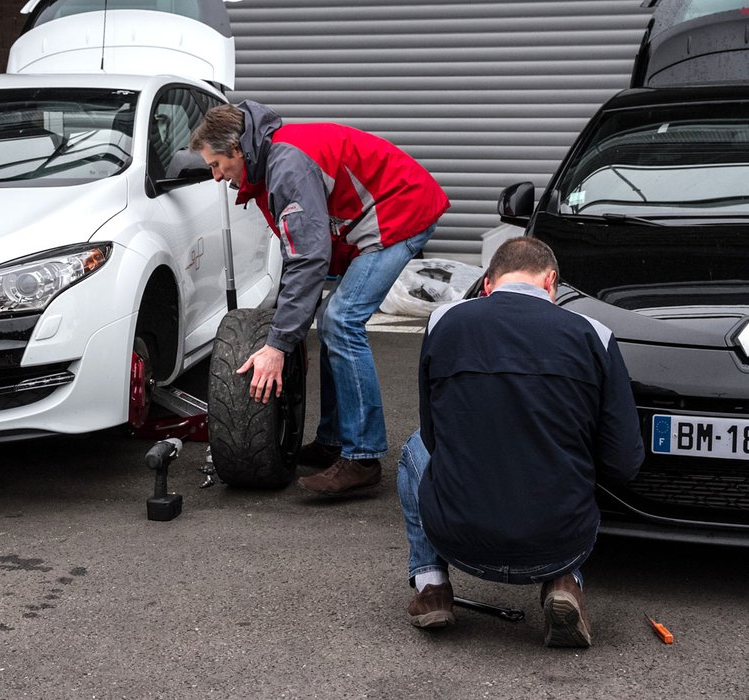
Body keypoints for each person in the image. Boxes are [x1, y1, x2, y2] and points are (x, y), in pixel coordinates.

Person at [189, 100, 450, 497]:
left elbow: (310, 259)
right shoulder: (272, 160)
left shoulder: (287, 166)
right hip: (372, 215)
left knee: (341, 321)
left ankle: (362, 457)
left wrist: (278, 343)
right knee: (330, 318)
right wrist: (289, 327)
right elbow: (304, 255)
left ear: (238, 149)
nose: (216, 176)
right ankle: (333, 440)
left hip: (400, 209)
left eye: (216, 164)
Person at [396, 236, 644, 647]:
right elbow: (623, 462)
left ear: (488, 285)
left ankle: (432, 585)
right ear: (551, 283)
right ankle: (564, 582)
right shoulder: (594, 335)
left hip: (460, 541)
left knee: (414, 447)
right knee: (581, 451)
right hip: (558, 546)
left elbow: (435, 436)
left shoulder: (444, 322)